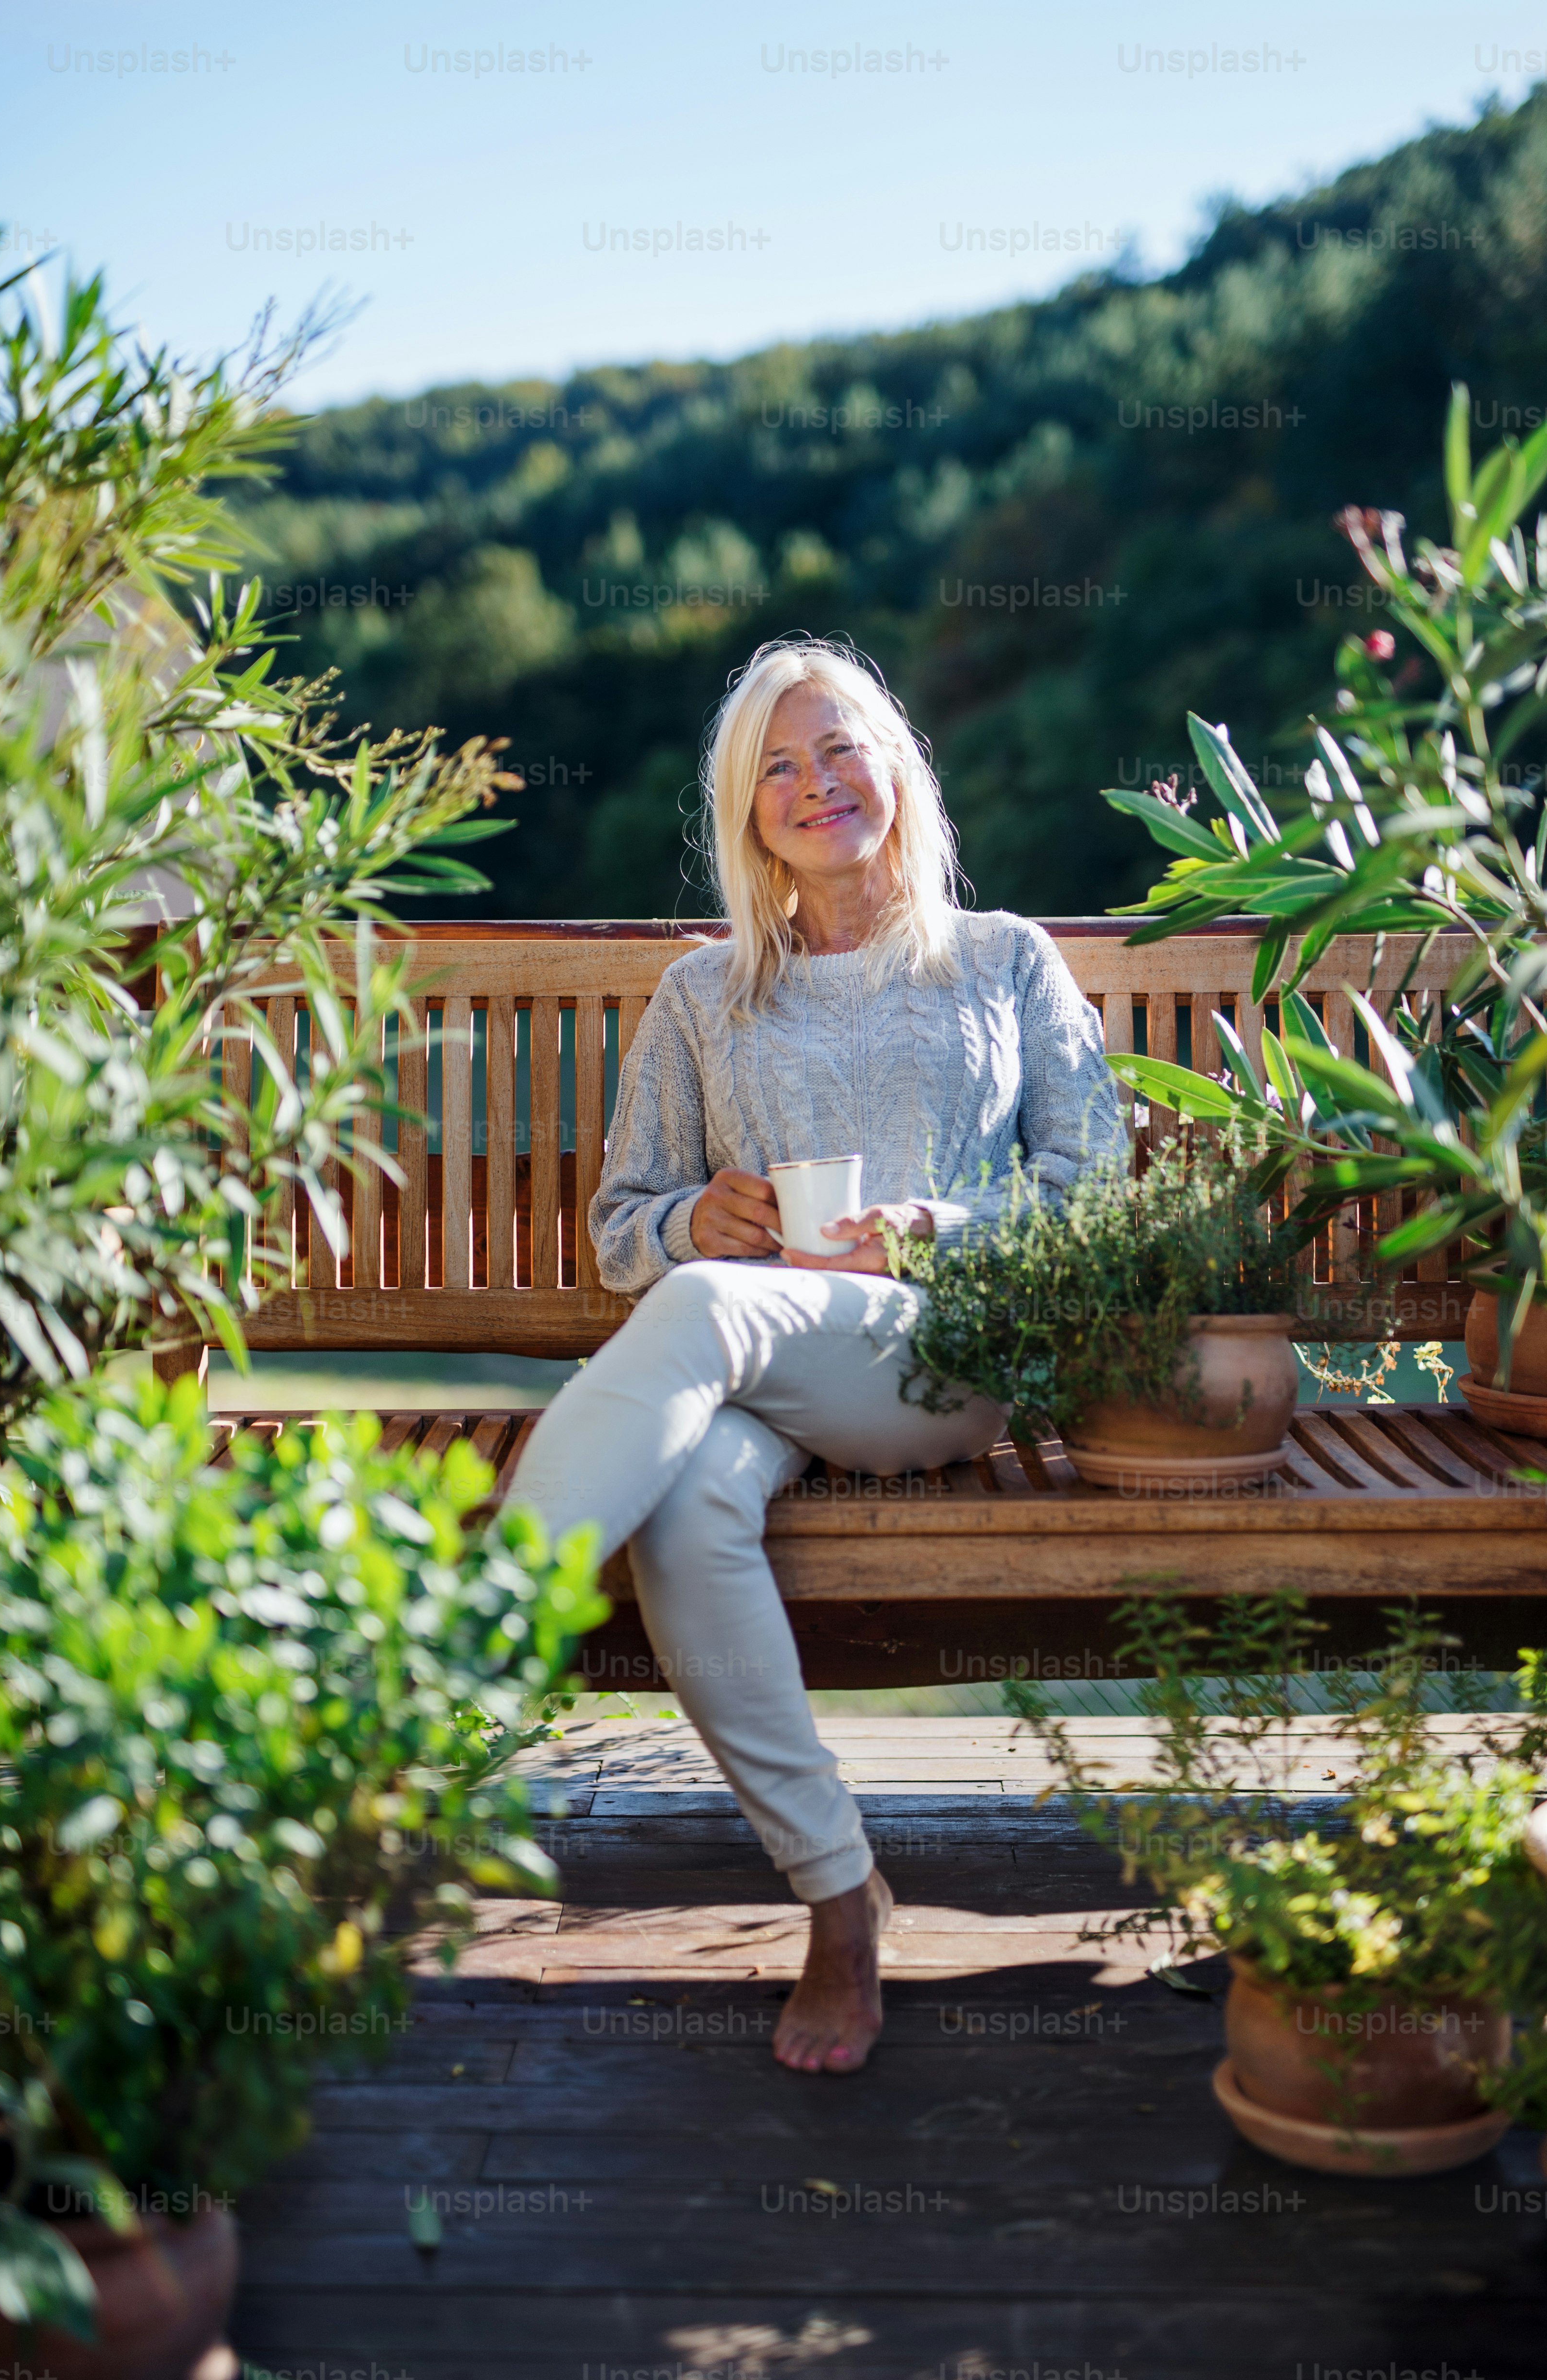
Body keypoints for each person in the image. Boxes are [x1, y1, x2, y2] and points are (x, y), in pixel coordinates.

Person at [512, 636, 1123, 2074]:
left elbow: (1089, 1195)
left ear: (896, 765)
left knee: (712, 1314)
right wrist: (694, 1215)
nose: (814, 782)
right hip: (765, 1371)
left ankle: (457, 1639)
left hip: (943, 1359)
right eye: (775, 767)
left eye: (838, 746)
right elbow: (621, 1231)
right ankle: (840, 1897)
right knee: (689, 1503)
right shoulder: (703, 995)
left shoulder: (1004, 960)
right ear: (745, 816)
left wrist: (933, 1223)